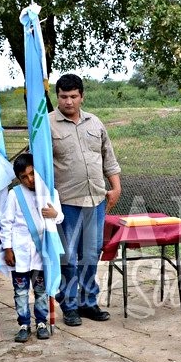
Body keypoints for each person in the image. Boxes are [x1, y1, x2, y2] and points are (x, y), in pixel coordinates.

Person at [50, 73, 122, 326]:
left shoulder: (95, 122)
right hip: (66, 203)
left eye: (73, 96)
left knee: (91, 255)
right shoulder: (47, 125)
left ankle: (88, 302)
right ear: (57, 97)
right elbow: (40, 166)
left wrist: (115, 187)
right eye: (63, 97)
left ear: (82, 96)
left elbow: (108, 157)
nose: (68, 102)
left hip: (96, 200)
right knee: (68, 257)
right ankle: (69, 305)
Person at [0, 153, 64, 342]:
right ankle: (24, 325)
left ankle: (41, 323)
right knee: (20, 292)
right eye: (24, 177)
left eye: (32, 174)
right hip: (19, 253)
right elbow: (6, 222)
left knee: (41, 291)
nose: (29, 179)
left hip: (41, 253)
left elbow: (60, 218)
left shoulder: (50, 192)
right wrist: (8, 248)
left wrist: (54, 213)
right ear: (19, 179)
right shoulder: (15, 194)